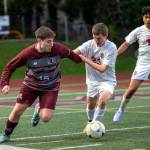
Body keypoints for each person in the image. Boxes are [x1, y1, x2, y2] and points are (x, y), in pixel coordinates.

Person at [0, 26, 81, 143]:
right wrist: (5, 84)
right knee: (17, 111)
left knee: (46, 118)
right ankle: (6, 135)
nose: (51, 44)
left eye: (52, 41)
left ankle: (38, 109)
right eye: (48, 42)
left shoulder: (58, 49)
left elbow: (75, 57)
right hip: (30, 86)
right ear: (39, 40)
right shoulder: (27, 53)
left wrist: (89, 58)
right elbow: (9, 67)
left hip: (51, 87)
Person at [74, 22, 117, 133]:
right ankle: (90, 122)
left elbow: (102, 69)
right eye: (94, 38)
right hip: (92, 81)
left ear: (105, 36)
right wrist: (59, 56)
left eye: (99, 38)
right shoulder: (89, 44)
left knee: (102, 101)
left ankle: (94, 125)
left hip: (107, 80)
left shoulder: (111, 47)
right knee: (90, 104)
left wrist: (86, 60)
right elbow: (74, 53)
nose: (96, 41)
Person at [113, 6, 150, 123]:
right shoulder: (138, 31)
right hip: (143, 64)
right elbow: (125, 44)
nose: (148, 19)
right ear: (143, 18)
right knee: (131, 90)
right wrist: (114, 56)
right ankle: (120, 110)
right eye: (146, 17)